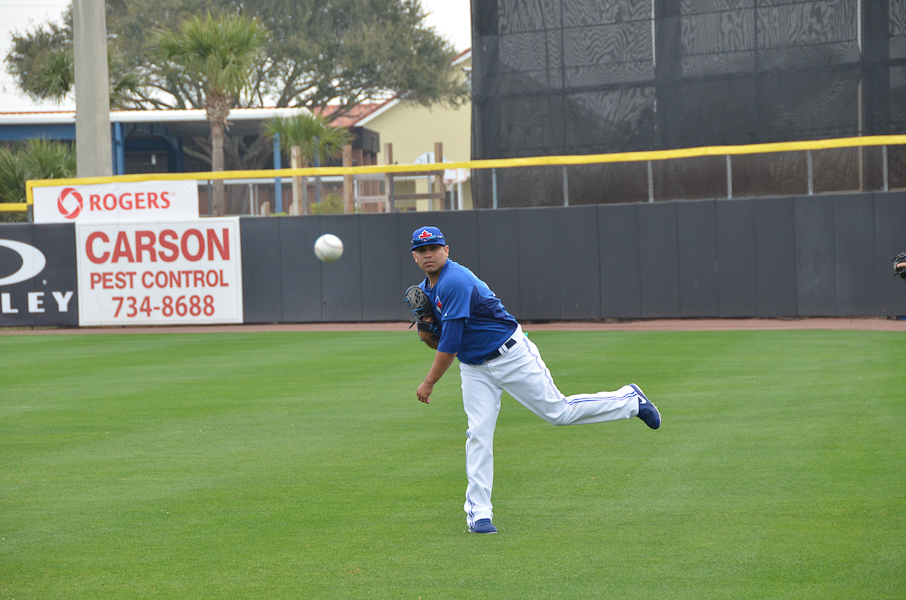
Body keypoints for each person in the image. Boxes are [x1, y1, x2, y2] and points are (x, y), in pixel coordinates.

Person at [409, 226, 661, 534]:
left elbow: (449, 344)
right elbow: (440, 341)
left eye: (433, 248)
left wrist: (429, 382)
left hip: (511, 356)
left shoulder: (455, 281)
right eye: (422, 251)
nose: (428, 254)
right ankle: (479, 513)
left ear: (446, 250)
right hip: (475, 368)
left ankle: (629, 400)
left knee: (559, 413)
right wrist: (425, 332)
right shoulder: (429, 290)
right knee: (478, 434)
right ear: (415, 257)